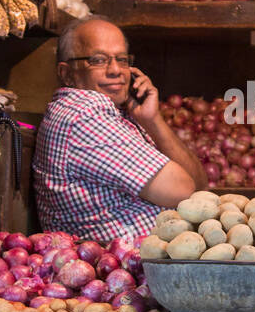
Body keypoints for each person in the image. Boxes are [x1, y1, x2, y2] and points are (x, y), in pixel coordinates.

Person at [32, 16, 207, 243]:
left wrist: (152, 120)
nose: (116, 70)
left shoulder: (115, 114)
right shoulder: (84, 115)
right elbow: (182, 190)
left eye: (122, 60)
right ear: (67, 73)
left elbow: (200, 187)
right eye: (98, 60)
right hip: (127, 268)